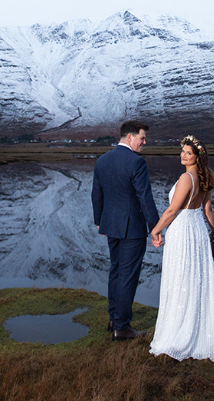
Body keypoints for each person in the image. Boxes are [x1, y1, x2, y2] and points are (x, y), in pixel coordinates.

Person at [149, 135, 214, 361]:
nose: (183, 155)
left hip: (183, 230)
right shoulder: (206, 177)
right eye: (182, 151)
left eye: (188, 153)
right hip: (198, 232)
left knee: (180, 278)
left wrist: (156, 230)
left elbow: (173, 211)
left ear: (197, 156)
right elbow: (207, 211)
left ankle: (179, 333)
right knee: (196, 279)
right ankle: (197, 326)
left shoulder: (186, 178)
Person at [91, 120, 161, 341]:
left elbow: (96, 194)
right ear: (129, 137)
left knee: (116, 271)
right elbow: (145, 199)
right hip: (132, 228)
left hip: (111, 225)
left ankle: (114, 319)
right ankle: (121, 328)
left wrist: (100, 221)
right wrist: (155, 228)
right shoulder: (136, 163)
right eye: (142, 138)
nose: (144, 142)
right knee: (128, 276)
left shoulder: (102, 160)